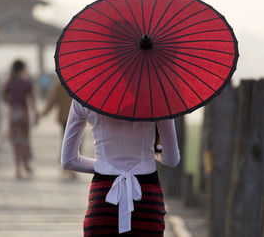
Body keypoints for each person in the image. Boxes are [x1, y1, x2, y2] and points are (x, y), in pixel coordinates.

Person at [61, 99, 180, 236]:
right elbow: (172, 160)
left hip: (103, 199)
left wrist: (105, 166)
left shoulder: (84, 97)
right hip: (147, 199)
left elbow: (68, 160)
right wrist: (155, 150)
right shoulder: (158, 99)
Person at [2, 59, 38, 178]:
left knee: (15, 140)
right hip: (23, 112)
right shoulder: (26, 82)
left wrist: (11, 102)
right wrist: (35, 113)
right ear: (22, 69)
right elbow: (32, 99)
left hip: (13, 112)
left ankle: (17, 167)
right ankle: (26, 163)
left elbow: (4, 97)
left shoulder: (9, 82)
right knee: (25, 138)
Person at [39, 78, 75, 178]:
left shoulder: (59, 84)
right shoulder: (78, 81)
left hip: (65, 117)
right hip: (77, 118)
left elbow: (52, 100)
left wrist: (42, 114)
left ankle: (66, 164)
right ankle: (70, 166)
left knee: (66, 141)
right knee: (77, 141)